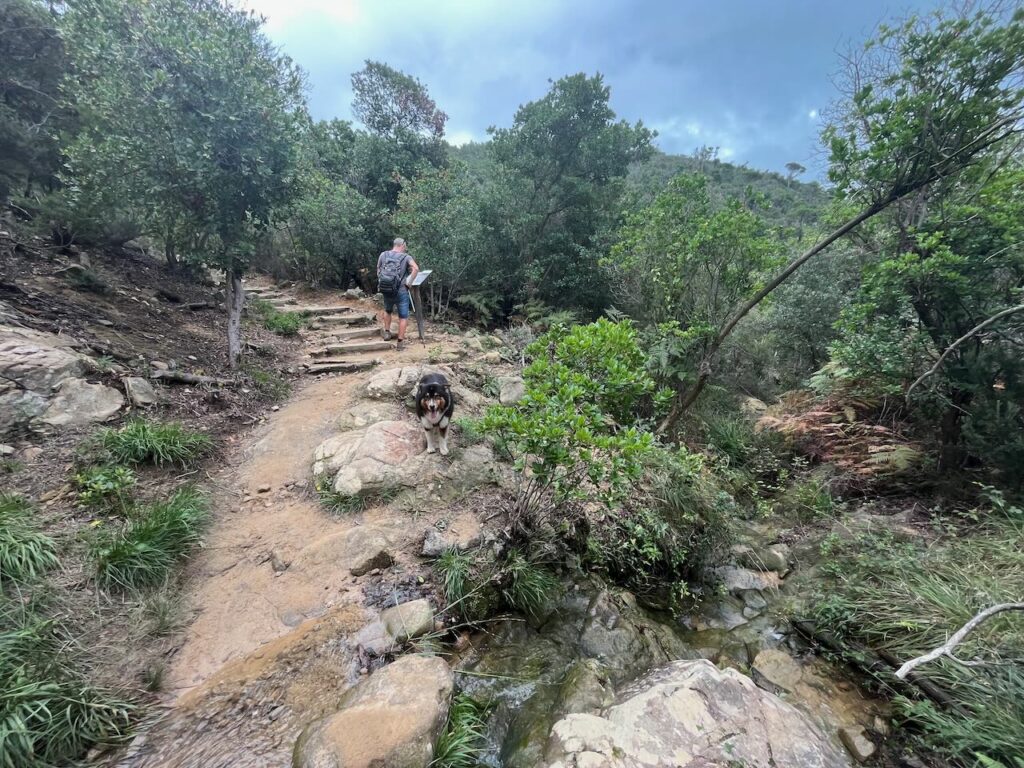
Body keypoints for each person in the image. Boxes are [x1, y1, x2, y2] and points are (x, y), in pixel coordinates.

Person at [377, 237, 418, 350]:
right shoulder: (406, 257)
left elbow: (378, 269)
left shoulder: (383, 255)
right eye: (405, 246)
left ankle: (387, 333)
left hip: (386, 289)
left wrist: (383, 282)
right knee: (403, 317)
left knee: (387, 310)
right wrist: (409, 283)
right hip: (401, 290)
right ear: (402, 245)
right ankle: (400, 343)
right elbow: (415, 268)